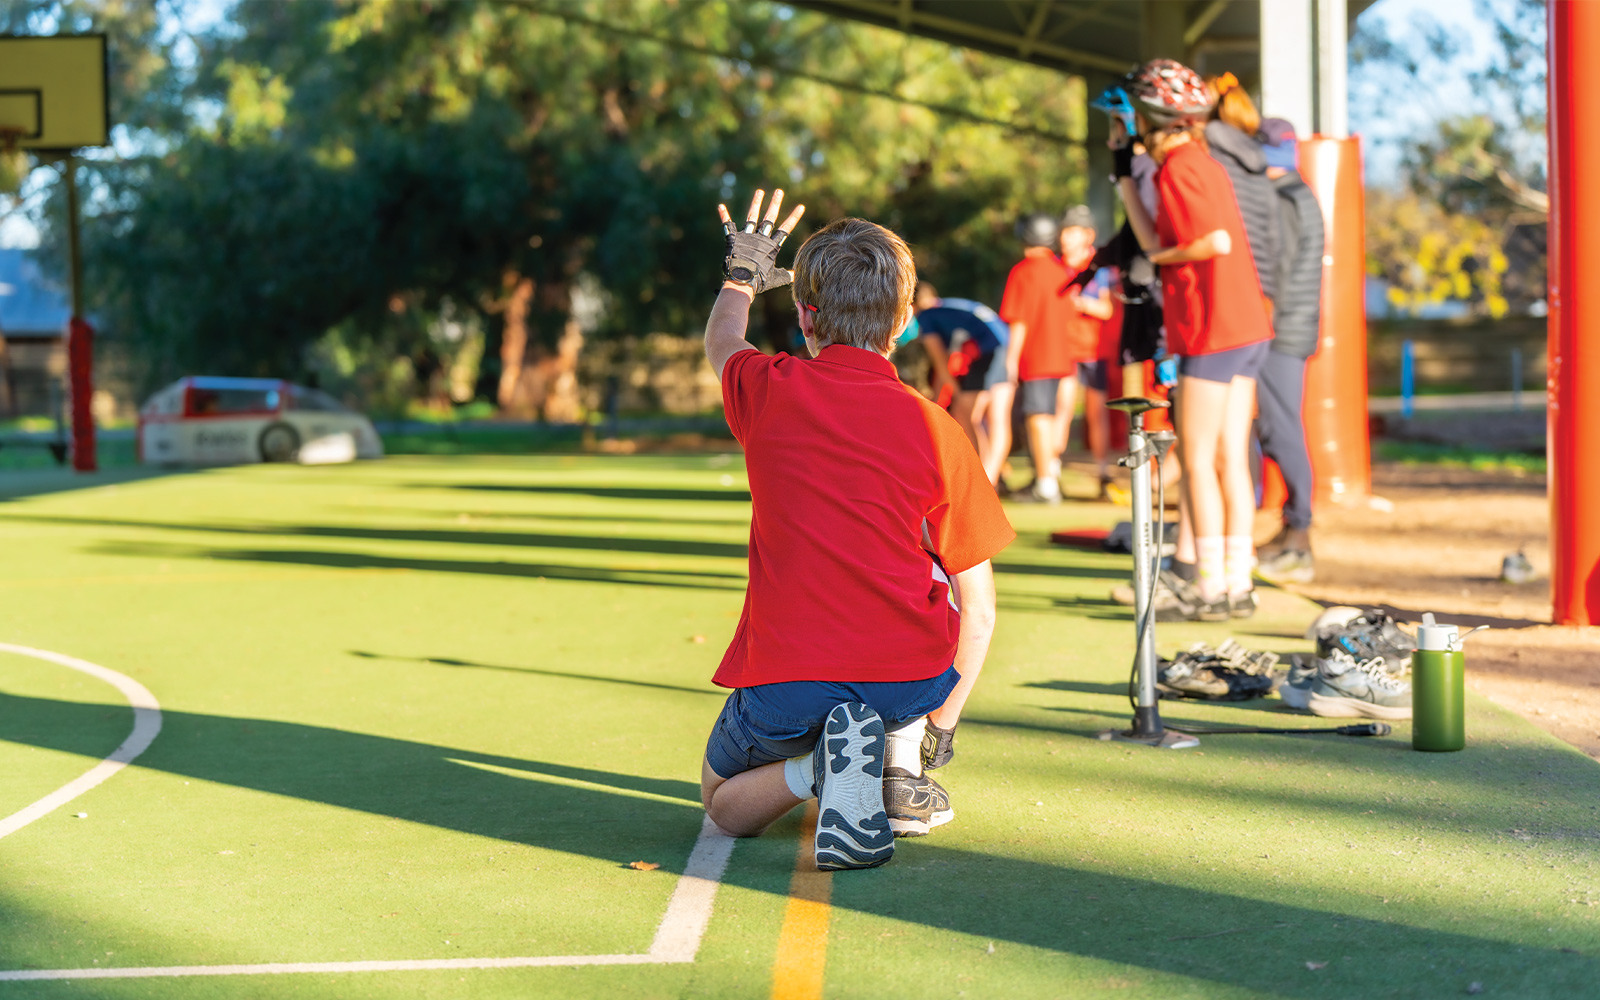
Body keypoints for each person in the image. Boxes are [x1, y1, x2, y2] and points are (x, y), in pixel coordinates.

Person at [701, 188, 1015, 870]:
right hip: (904, 684)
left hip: (790, 679)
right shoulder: (939, 428)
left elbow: (722, 339)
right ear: (903, 320)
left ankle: (812, 773)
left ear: (807, 317)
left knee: (723, 802)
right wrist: (939, 732)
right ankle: (899, 767)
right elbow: (980, 612)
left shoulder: (769, 387)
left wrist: (743, 273)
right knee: (935, 578)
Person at [1114, 59, 1274, 620]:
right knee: (1231, 457)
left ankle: (1208, 586)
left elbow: (1215, 241)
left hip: (1210, 328)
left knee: (1200, 458)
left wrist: (1162, 258)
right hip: (1245, 326)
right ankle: (1236, 580)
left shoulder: (1179, 168)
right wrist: (1124, 175)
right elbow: (1157, 232)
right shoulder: (1199, 162)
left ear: (1153, 117)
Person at [1253, 118, 1325, 582]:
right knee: (1273, 428)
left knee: (1282, 431)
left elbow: (1271, 269)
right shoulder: (1298, 194)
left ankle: (1300, 535)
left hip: (1279, 330)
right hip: (1285, 327)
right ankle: (1291, 529)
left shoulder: (1283, 200)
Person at [999, 212, 1076, 503]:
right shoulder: (1062, 271)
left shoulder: (1024, 271)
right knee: (1050, 416)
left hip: (1037, 358)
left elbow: (1019, 320)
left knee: (1037, 417)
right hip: (1063, 356)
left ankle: (1046, 484)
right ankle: (1049, 472)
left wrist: (1011, 360)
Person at [912, 283, 1012, 474]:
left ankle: (983, 476)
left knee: (963, 411)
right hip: (1006, 346)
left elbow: (941, 363)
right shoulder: (947, 307)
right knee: (998, 417)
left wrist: (952, 394)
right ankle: (992, 475)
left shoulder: (926, 316)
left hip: (989, 351)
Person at [1052, 205, 1112, 499]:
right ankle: (1052, 473)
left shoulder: (1098, 267)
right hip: (1064, 350)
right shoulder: (1056, 266)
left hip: (1093, 350)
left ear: (1088, 235)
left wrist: (1081, 304)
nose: (1066, 237)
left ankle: (1103, 473)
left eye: (1072, 231)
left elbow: (1108, 307)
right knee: (1061, 409)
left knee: (1096, 413)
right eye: (1064, 230)